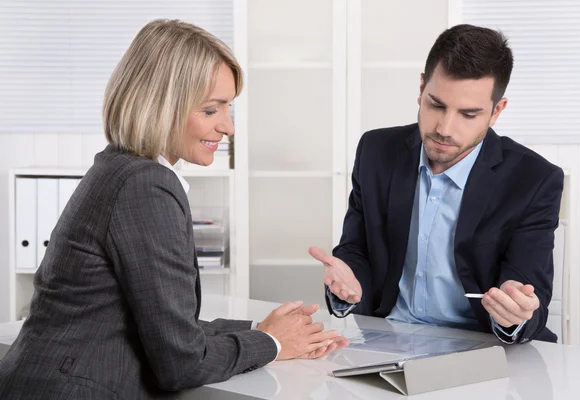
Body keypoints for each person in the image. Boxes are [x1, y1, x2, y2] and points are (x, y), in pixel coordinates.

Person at [0, 19, 348, 399]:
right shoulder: (145, 185)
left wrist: (262, 327)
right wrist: (271, 342)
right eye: (211, 110)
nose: (228, 127)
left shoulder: (119, 168)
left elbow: (164, 324)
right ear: (161, 105)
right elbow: (182, 362)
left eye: (228, 108)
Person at [310, 24, 563, 344]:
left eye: (468, 114)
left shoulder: (535, 180)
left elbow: (529, 289)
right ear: (421, 88)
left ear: (496, 111)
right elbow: (356, 249)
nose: (445, 128)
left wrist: (515, 311)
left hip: (482, 344)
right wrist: (349, 287)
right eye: (436, 105)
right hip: (387, 337)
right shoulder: (376, 151)